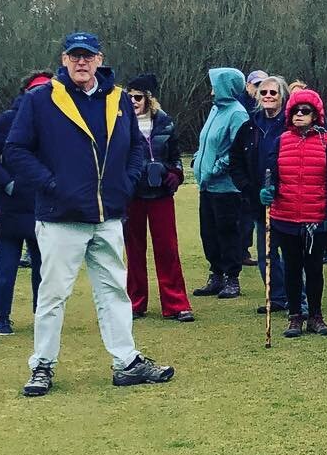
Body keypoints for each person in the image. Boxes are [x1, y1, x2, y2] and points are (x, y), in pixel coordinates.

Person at [1, 32, 173, 395]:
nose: (82, 62)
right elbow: (14, 150)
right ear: (64, 59)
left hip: (108, 214)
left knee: (114, 292)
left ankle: (126, 361)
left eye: (88, 56)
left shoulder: (119, 100)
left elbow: (135, 151)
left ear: (99, 59)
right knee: (53, 295)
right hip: (61, 217)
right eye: (75, 56)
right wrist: (51, 184)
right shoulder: (40, 100)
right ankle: (42, 365)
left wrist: (125, 184)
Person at [261, 90, 327, 337]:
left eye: (305, 111)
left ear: (315, 115)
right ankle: (295, 316)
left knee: (315, 268)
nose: (299, 115)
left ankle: (316, 315)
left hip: (314, 217)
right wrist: (267, 191)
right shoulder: (281, 140)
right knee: (292, 268)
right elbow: (271, 173)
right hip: (284, 216)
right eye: (295, 111)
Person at [122, 74, 194, 322]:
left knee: (167, 248)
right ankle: (134, 302)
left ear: (149, 99)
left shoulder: (165, 123)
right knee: (133, 250)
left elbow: (176, 156)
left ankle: (176, 303)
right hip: (132, 195)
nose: (133, 101)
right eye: (129, 96)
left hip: (161, 193)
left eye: (138, 97)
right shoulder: (120, 123)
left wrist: (175, 174)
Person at [0, 71, 52, 336]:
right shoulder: (9, 120)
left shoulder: (57, 122)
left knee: (43, 267)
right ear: (25, 92)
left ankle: (41, 314)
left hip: (43, 205)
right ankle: (2, 317)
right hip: (10, 208)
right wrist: (7, 182)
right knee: (6, 266)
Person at [230, 74, 294, 316]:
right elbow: (235, 161)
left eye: (273, 93)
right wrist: (248, 188)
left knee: (291, 252)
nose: (267, 97)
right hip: (258, 200)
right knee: (265, 253)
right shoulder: (249, 126)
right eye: (263, 93)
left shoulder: (291, 124)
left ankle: (295, 296)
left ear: (282, 97)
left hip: (287, 199)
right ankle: (276, 296)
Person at [191, 68, 254, 298]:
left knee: (228, 232)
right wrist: (198, 160)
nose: (211, 90)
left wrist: (217, 168)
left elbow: (238, 149)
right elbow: (206, 140)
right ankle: (216, 274)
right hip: (207, 185)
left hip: (227, 187)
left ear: (226, 86)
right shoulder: (216, 110)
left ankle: (232, 278)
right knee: (208, 232)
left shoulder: (238, 113)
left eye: (215, 85)